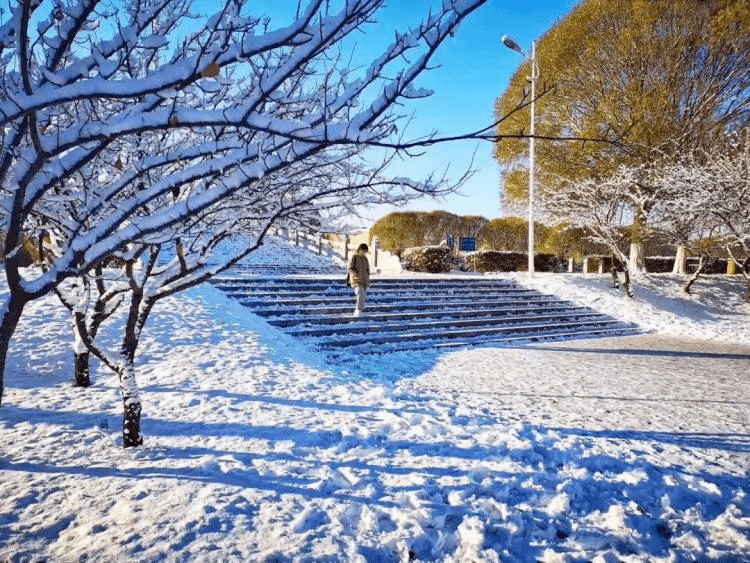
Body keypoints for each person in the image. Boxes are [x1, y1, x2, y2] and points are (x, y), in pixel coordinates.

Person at [347, 243, 370, 317]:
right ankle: (358, 311)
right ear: (359, 250)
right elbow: (350, 268)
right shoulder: (354, 257)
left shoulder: (365, 259)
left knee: (363, 295)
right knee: (360, 294)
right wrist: (355, 275)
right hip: (356, 280)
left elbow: (367, 270)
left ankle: (360, 310)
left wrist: (367, 276)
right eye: (363, 251)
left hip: (364, 281)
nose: (364, 253)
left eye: (365, 251)